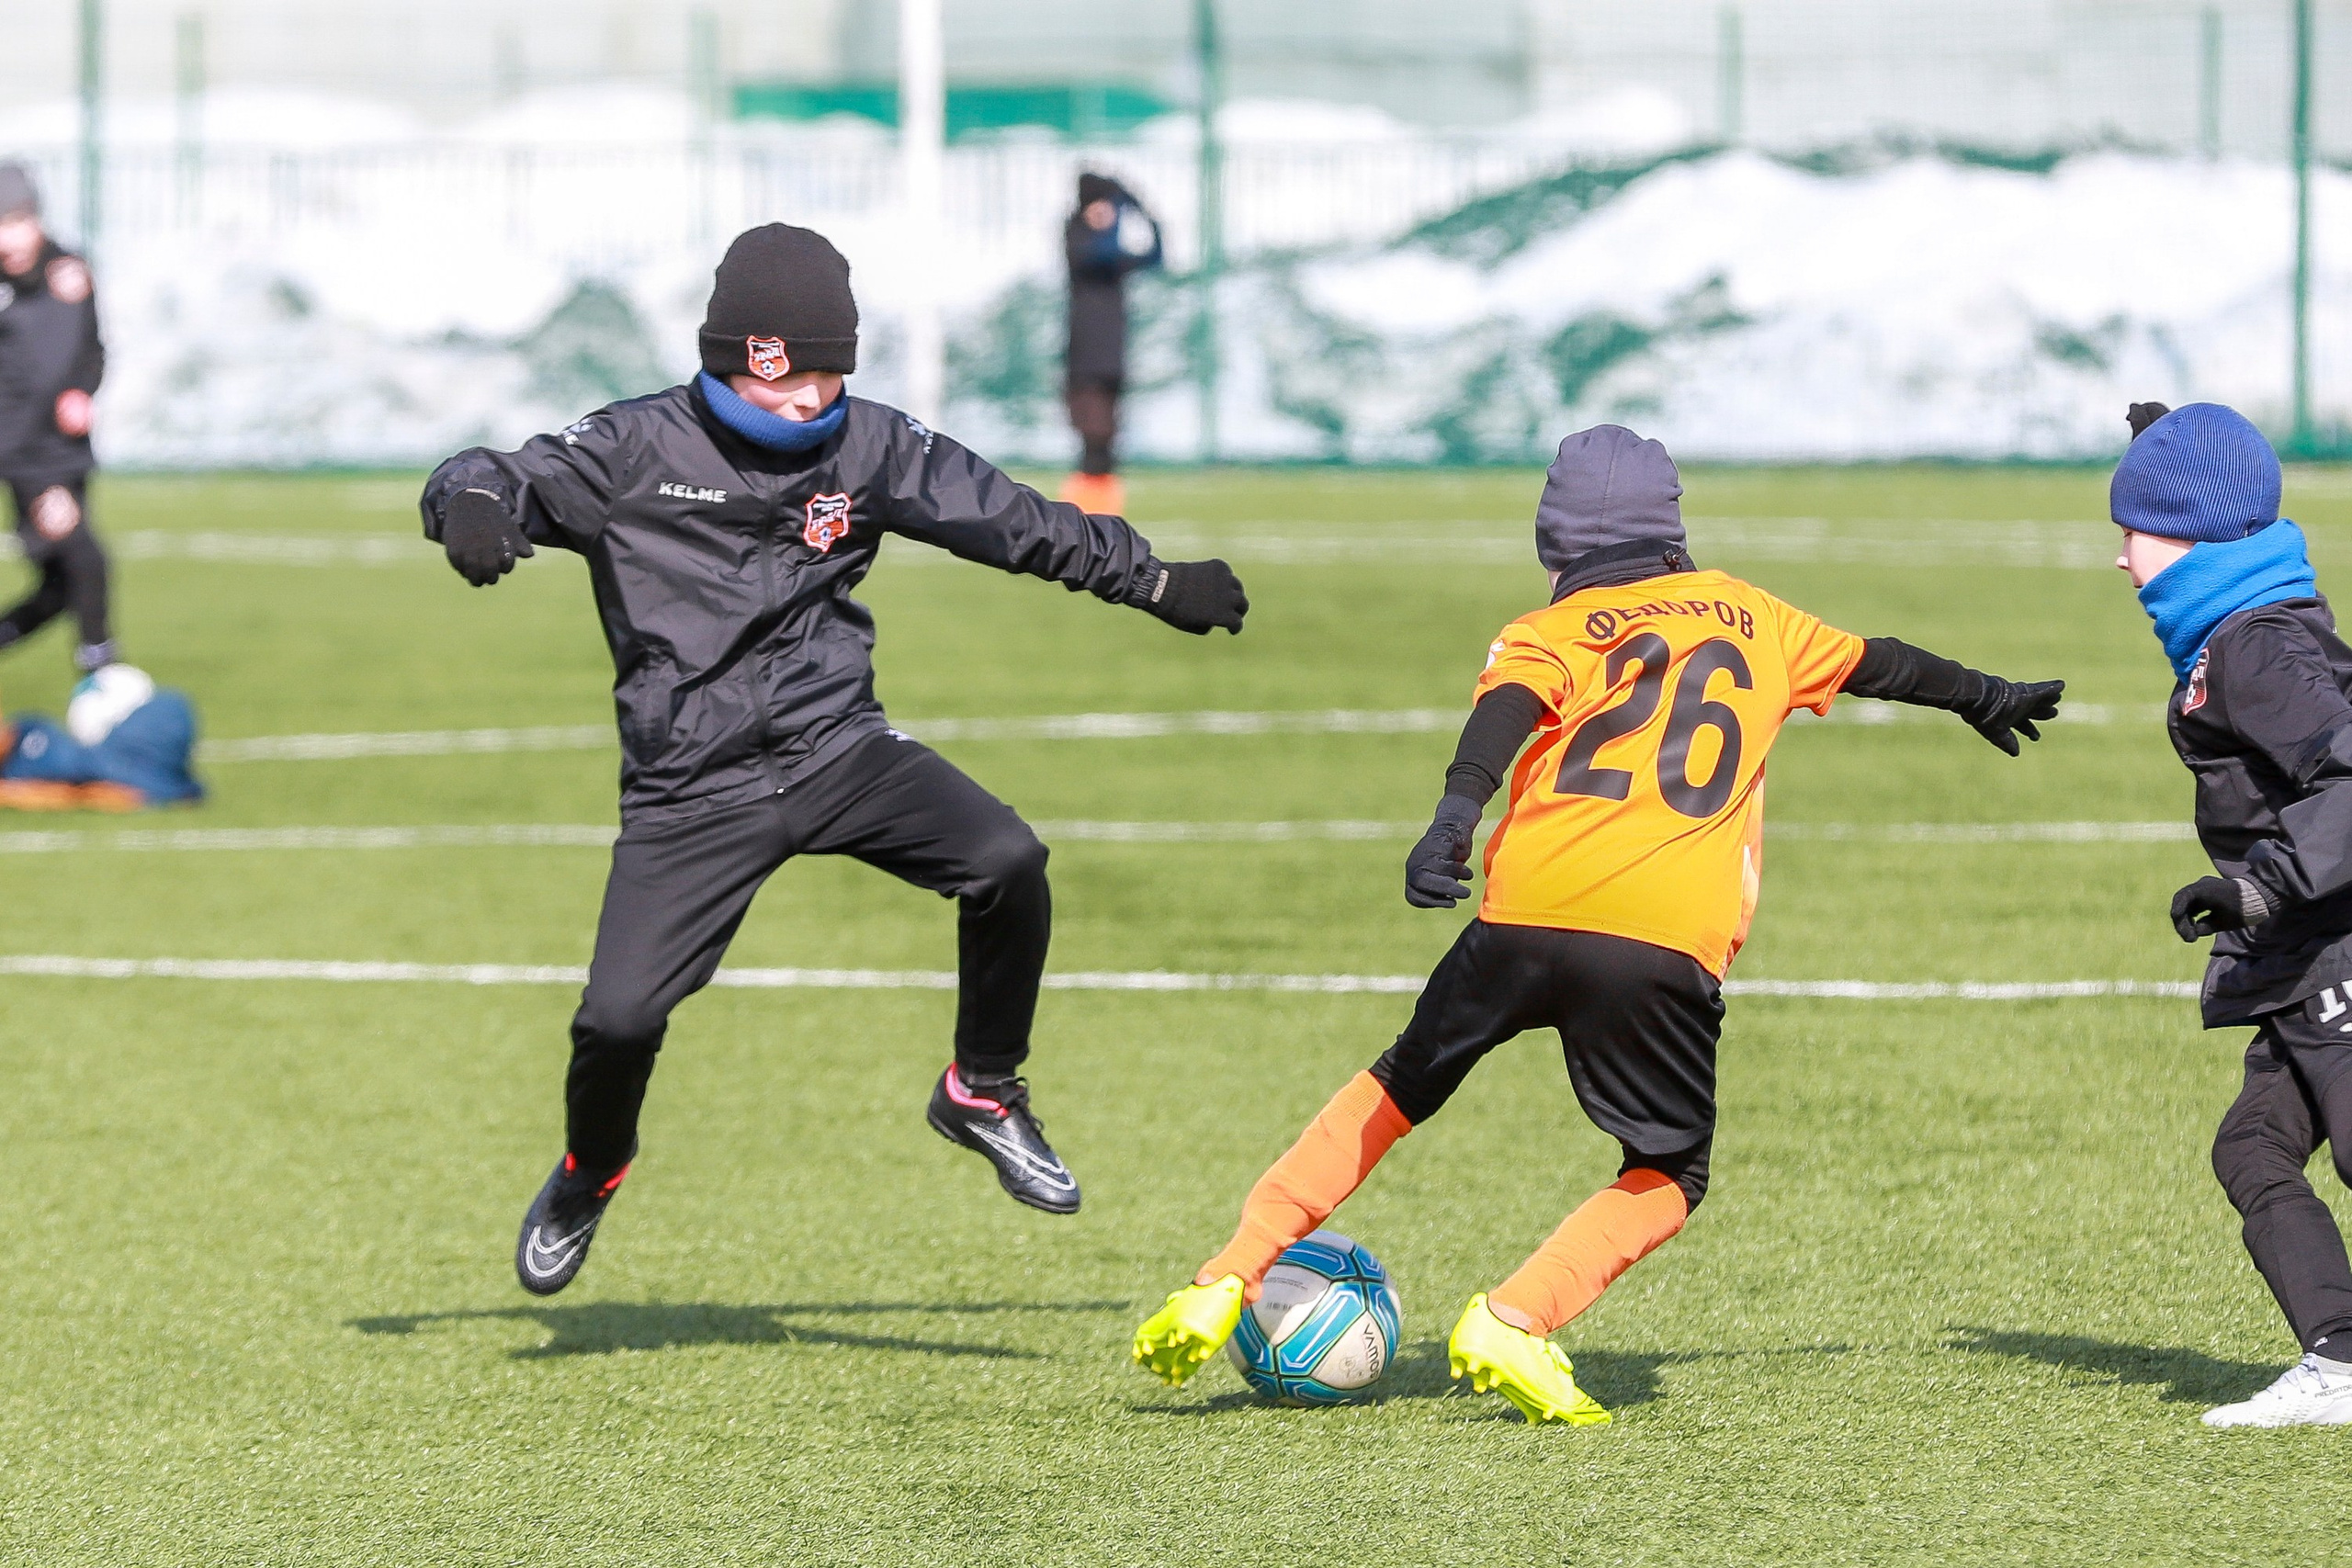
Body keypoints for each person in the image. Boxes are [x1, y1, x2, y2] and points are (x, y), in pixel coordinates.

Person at [1132, 424, 2064, 1424]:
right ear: (1673, 535)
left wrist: (1453, 816)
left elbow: (1505, 710)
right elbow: (1883, 662)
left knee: (1398, 1086)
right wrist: (1986, 695)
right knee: (1667, 1173)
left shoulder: (1553, 627)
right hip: (1661, 936)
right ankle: (1516, 1317)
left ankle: (1229, 1273)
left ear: (1555, 549)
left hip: (1526, 908)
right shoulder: (1756, 616)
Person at [417, 223, 1248, 1297]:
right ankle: (590, 1169)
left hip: (837, 747)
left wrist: (1154, 582)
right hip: (691, 788)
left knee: (1006, 859)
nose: (809, 396)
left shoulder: (873, 445)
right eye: (786, 373)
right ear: (734, 359)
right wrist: (473, 508)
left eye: (826, 372)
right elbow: (492, 474)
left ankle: (983, 1089)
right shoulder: (634, 448)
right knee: (616, 1022)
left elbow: (1014, 521)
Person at [2115, 401, 2352, 1428]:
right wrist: (2168, 444)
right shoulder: (2236, 632)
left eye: (2131, 531)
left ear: (2187, 537)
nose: (2120, 559)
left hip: (2334, 938)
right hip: (2299, 952)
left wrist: (2263, 888)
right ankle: (2339, 1361)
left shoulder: (2255, 645)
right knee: (2252, 1148)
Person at [0, 161, 114, 674]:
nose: (9, 237)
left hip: (63, 451)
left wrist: (82, 392)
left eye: (16, 221)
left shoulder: (71, 272)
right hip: (21, 451)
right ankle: (101, 675)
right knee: (86, 559)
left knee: (60, 587)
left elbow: (93, 351)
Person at [1059, 172, 1161, 517]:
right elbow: (1101, 253)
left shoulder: (1115, 260)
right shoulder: (1078, 242)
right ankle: (1081, 514)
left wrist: (1144, 212)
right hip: (1084, 361)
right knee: (1093, 438)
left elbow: (1155, 256)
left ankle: (1103, 515)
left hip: (1112, 359)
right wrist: (1119, 209)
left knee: (1108, 442)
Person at [0, 664, 202, 811]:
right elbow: (79, 792)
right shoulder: (16, 775)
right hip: (137, 753)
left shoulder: (27, 726)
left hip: (141, 727)